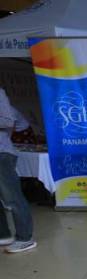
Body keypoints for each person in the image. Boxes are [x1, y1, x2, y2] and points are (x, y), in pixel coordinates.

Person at [0, 86, 36, 253]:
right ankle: (3, 234)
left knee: (12, 198)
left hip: (2, 153)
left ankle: (25, 238)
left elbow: (8, 121)